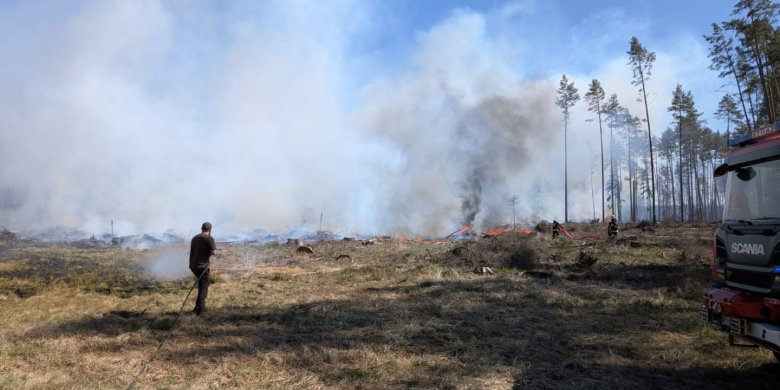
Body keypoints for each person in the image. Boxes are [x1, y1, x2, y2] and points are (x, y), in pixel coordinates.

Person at [189, 222, 216, 315]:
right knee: (204, 286)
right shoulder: (209, 238)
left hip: (193, 265)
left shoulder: (194, 238)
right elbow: (212, 252)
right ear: (210, 229)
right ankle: (200, 309)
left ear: (201, 229)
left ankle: (200, 306)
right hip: (202, 266)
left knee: (202, 284)